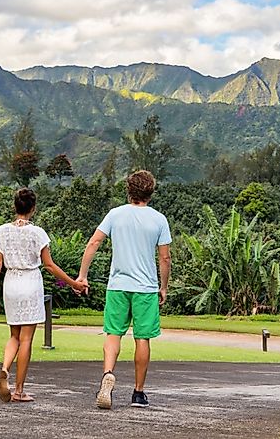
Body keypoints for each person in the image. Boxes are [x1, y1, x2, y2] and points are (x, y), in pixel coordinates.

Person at [77, 170, 172, 409]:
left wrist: (82, 275)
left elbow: (94, 242)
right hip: (146, 288)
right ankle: (138, 393)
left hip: (118, 286)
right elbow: (165, 258)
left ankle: (108, 373)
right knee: (143, 338)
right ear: (151, 192)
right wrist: (163, 287)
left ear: (129, 191)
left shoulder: (115, 214)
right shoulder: (159, 219)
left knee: (113, 333)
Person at [0, 187, 87, 403]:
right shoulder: (37, 233)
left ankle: (5, 368)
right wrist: (73, 283)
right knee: (27, 340)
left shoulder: (1, 231)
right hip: (30, 283)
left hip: (11, 283)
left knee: (14, 336)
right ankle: (19, 390)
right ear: (33, 208)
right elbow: (49, 265)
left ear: (15, 207)